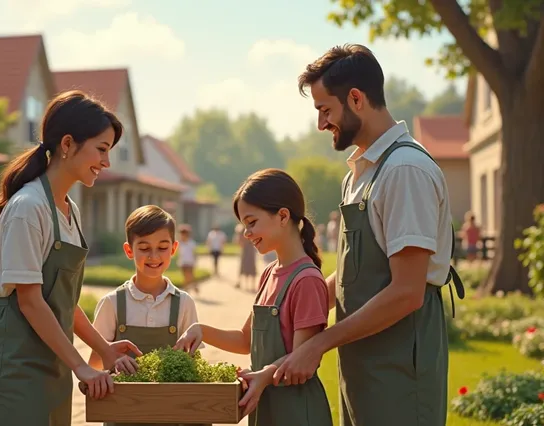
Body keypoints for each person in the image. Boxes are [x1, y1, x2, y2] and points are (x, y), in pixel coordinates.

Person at [274, 44, 464, 426]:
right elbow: (353, 275)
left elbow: (407, 293)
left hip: (399, 368)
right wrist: (288, 307)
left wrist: (319, 344)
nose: (320, 124)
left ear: (356, 99)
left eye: (325, 110)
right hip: (363, 362)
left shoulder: (404, 171)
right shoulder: (358, 174)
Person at [0, 91, 142, 426]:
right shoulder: (28, 208)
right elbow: (31, 302)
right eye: (101, 150)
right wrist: (80, 365)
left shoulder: (69, 210)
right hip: (15, 364)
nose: (106, 162)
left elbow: (61, 300)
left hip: (52, 361)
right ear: (67, 144)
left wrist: (103, 349)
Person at [174, 169, 333, 426]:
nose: (246, 233)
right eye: (243, 225)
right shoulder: (269, 274)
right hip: (266, 403)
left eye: (252, 222)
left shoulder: (307, 281)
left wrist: (263, 376)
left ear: (283, 216)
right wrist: (200, 330)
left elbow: (301, 362)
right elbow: (245, 340)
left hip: (295, 412)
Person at [89, 205, 204, 426]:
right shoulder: (112, 303)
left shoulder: (184, 303)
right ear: (129, 250)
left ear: (174, 249)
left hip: (171, 415)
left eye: (162, 247)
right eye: (144, 248)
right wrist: (112, 362)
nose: (153, 256)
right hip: (121, 414)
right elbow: (94, 364)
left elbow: (194, 366)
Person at [234, 223, 258, 291]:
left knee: (244, 266)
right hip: (250, 249)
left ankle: (242, 283)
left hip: (246, 249)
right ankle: (251, 285)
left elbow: (238, 241)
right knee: (250, 266)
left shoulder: (241, 229)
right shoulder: (251, 228)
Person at [176, 224, 198, 294]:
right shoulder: (179, 243)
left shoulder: (191, 243)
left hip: (190, 262)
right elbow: (177, 252)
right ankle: (193, 286)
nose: (182, 235)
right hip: (182, 262)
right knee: (186, 276)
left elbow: (194, 253)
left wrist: (195, 261)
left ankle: (186, 289)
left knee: (189, 275)